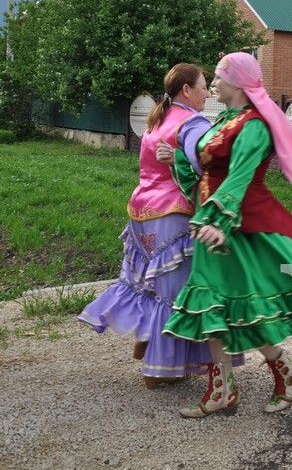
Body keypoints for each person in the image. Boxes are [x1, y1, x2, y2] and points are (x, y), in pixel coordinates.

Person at [160, 52, 292, 418]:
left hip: (239, 227)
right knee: (214, 308)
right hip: (211, 224)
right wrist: (179, 162)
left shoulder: (254, 126)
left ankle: (285, 371)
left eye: (218, 77)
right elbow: (208, 170)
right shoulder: (224, 120)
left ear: (238, 83)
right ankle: (224, 391)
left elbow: (240, 176)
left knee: (248, 308)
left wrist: (220, 220)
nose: (213, 84)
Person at [79, 63, 231, 388]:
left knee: (149, 287)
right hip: (172, 217)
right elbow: (205, 161)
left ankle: (145, 344)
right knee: (174, 296)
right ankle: (158, 371)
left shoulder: (157, 118)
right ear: (187, 90)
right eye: (204, 86)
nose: (208, 92)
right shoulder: (193, 123)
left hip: (140, 212)